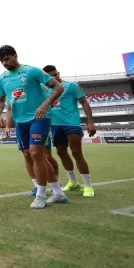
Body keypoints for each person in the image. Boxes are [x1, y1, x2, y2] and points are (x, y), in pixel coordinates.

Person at [0, 45, 68, 209]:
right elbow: (0, 99)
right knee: (29, 154)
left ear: (15, 56)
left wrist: (45, 104)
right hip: (21, 122)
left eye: (6, 59)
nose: (4, 63)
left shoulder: (32, 71)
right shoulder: (2, 79)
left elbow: (59, 87)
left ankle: (41, 196)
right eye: (1, 61)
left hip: (39, 117)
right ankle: (58, 192)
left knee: (36, 153)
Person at [43, 65, 96, 197]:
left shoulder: (71, 86)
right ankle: (73, 182)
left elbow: (84, 102)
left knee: (76, 152)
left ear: (58, 73)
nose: (53, 77)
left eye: (55, 74)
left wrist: (90, 122)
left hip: (71, 123)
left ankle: (88, 186)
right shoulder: (44, 89)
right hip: (55, 125)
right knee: (61, 152)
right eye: (50, 76)